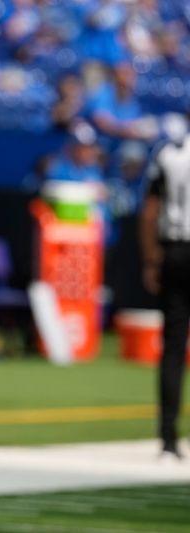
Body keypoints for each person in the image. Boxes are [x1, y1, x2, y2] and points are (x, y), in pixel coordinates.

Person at [139, 128, 190, 461]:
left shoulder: (170, 151)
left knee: (172, 346)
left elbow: (149, 211)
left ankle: (168, 439)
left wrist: (150, 259)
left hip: (175, 251)